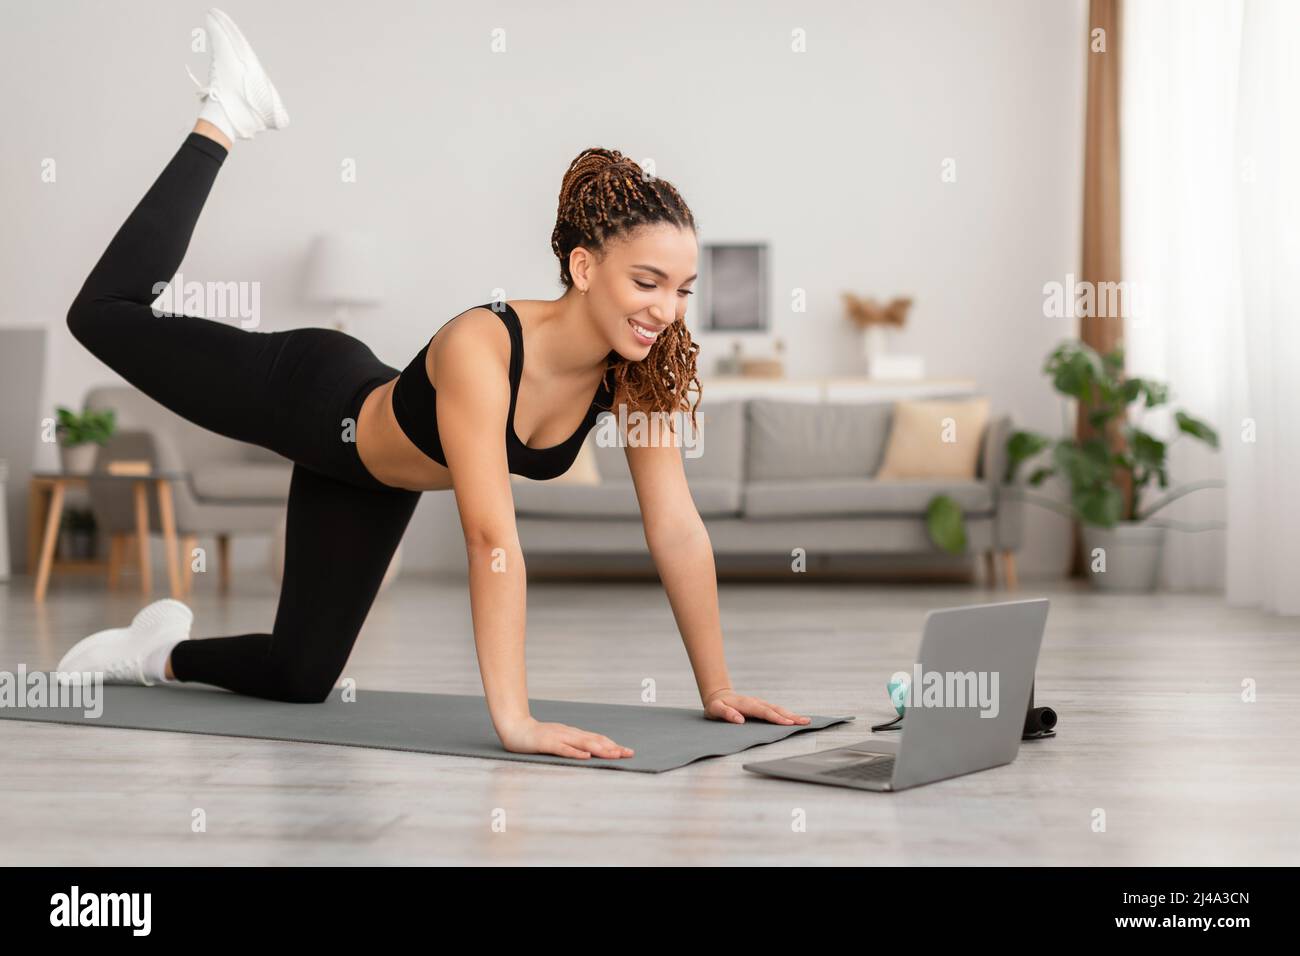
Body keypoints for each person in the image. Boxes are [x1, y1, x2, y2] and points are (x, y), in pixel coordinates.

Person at [57, 7, 810, 761]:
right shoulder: (482, 345)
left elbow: (675, 526)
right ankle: (224, 113)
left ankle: (156, 651)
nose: (666, 309)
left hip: (371, 477)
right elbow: (491, 538)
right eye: (648, 281)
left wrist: (717, 686)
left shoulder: (640, 374)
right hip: (311, 397)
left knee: (300, 676)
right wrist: (515, 721)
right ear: (585, 268)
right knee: (104, 314)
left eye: (682, 288)